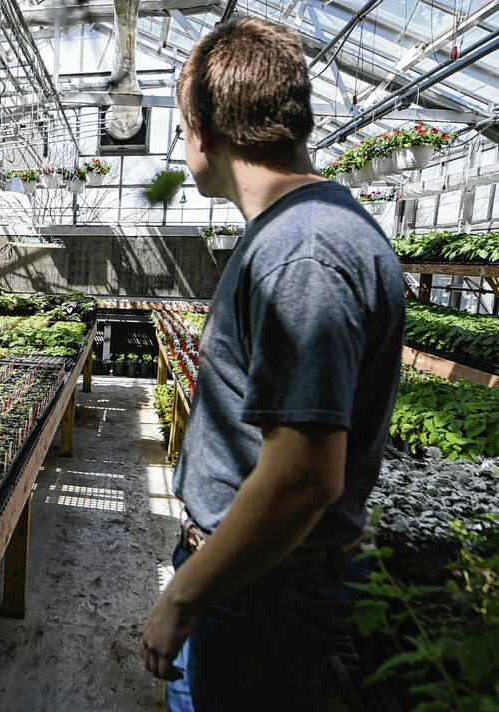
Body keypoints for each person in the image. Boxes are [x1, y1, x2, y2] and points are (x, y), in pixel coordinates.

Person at [139, 17, 406, 712]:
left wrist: (183, 594)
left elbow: (302, 477)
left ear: (202, 128)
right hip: (255, 580)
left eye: (179, 127)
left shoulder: (304, 252)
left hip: (261, 591)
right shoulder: (301, 234)